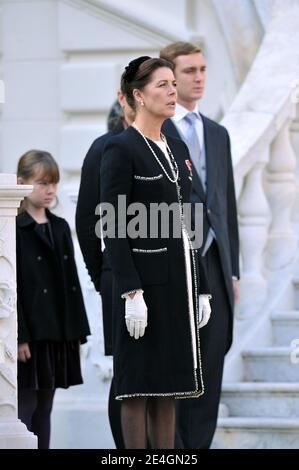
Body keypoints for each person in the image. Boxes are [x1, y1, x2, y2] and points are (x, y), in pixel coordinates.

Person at [100, 56, 212, 449]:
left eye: (172, 83)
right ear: (138, 95)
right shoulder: (121, 148)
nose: (172, 92)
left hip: (177, 284)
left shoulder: (176, 146)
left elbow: (187, 219)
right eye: (162, 85)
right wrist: (131, 292)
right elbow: (113, 228)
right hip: (142, 289)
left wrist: (201, 286)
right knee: (137, 387)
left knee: (169, 386)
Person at [160, 42, 240, 449]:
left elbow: (226, 206)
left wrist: (234, 271)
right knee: (176, 374)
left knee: (211, 368)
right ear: (171, 78)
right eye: (189, 70)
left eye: (203, 69)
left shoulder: (219, 133)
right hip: (174, 265)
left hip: (215, 265)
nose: (199, 77)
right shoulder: (152, 133)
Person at [16, 150, 90, 449]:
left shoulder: (59, 227)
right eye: (42, 183)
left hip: (57, 332)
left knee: (45, 408)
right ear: (21, 183)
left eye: (54, 183)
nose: (49, 190)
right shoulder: (13, 227)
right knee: (25, 407)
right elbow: (12, 285)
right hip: (30, 337)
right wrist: (19, 335)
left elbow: (70, 283)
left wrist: (75, 332)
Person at [75, 91, 134, 449]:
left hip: (165, 282)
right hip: (120, 280)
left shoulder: (170, 145)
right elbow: (86, 222)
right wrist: (103, 277)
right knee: (127, 376)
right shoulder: (103, 148)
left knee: (163, 380)